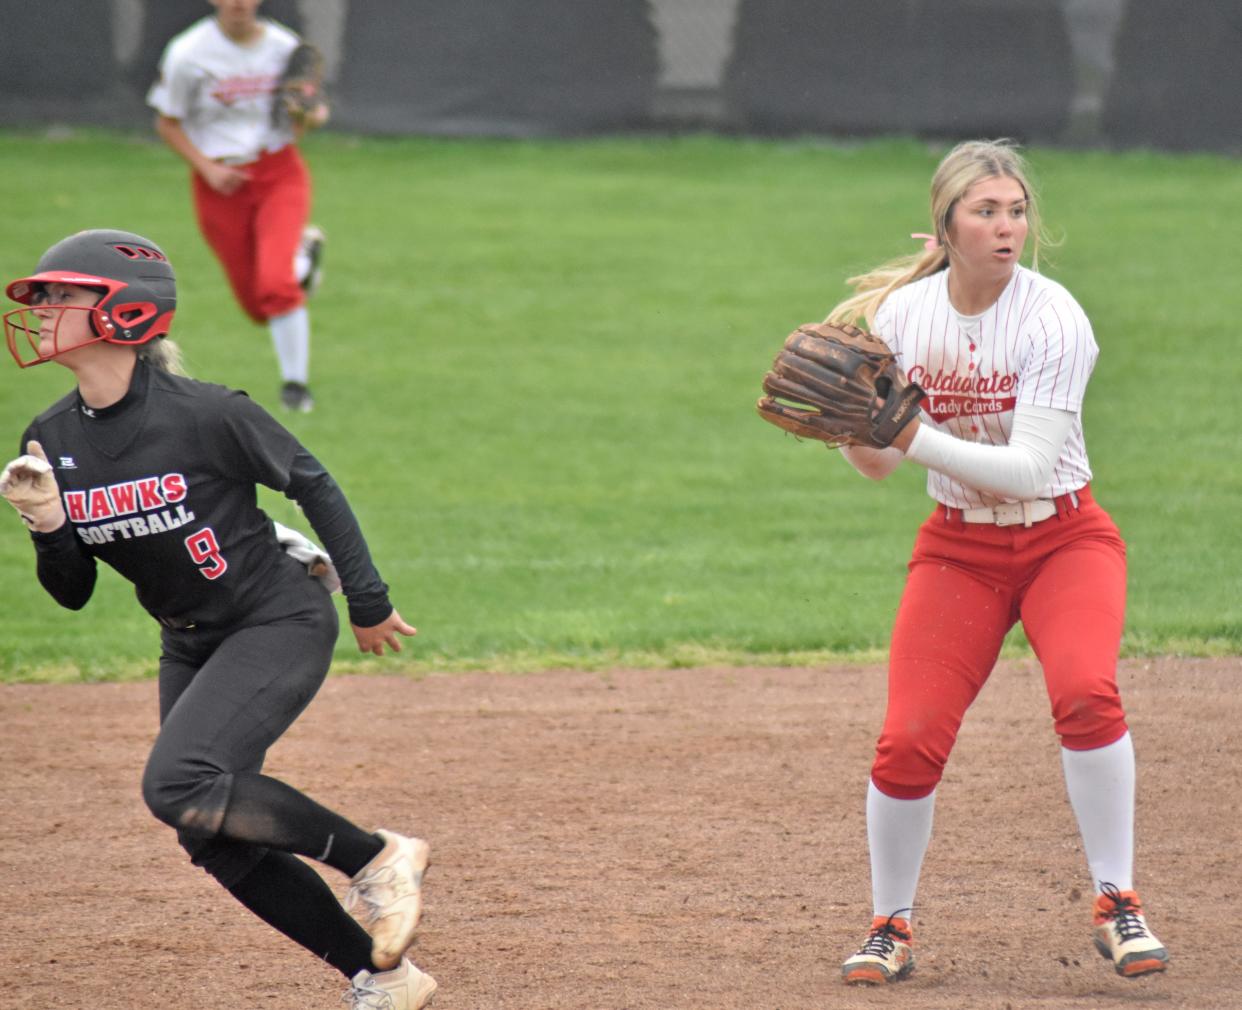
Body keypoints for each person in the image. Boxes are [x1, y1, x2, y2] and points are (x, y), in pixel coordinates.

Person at [0, 229, 435, 1010]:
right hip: (190, 638)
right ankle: (383, 977)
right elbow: (70, 593)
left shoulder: (206, 414)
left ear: (125, 313)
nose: (42, 309)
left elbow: (314, 484)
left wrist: (367, 601)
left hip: (277, 617)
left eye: (63, 294)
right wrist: (46, 524)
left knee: (178, 781)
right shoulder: (52, 438)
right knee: (206, 830)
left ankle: (377, 859)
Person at [822, 140, 1169, 986]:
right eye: (987, 211)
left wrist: (907, 434)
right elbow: (879, 467)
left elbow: (1026, 468)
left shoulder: (1054, 318)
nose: (1008, 226)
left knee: (1086, 692)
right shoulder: (905, 319)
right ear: (946, 225)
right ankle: (889, 925)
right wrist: (850, 429)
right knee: (906, 739)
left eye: (1016, 210)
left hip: (1065, 539)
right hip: (959, 549)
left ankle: (1117, 901)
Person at [147, 0, 327, 413]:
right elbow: (166, 122)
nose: (238, 3)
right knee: (258, 306)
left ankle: (295, 388)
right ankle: (304, 265)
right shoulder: (188, 52)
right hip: (219, 183)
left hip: (278, 172)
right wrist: (207, 167)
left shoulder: (284, 46)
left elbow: (309, 113)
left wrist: (311, 114)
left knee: (275, 287)